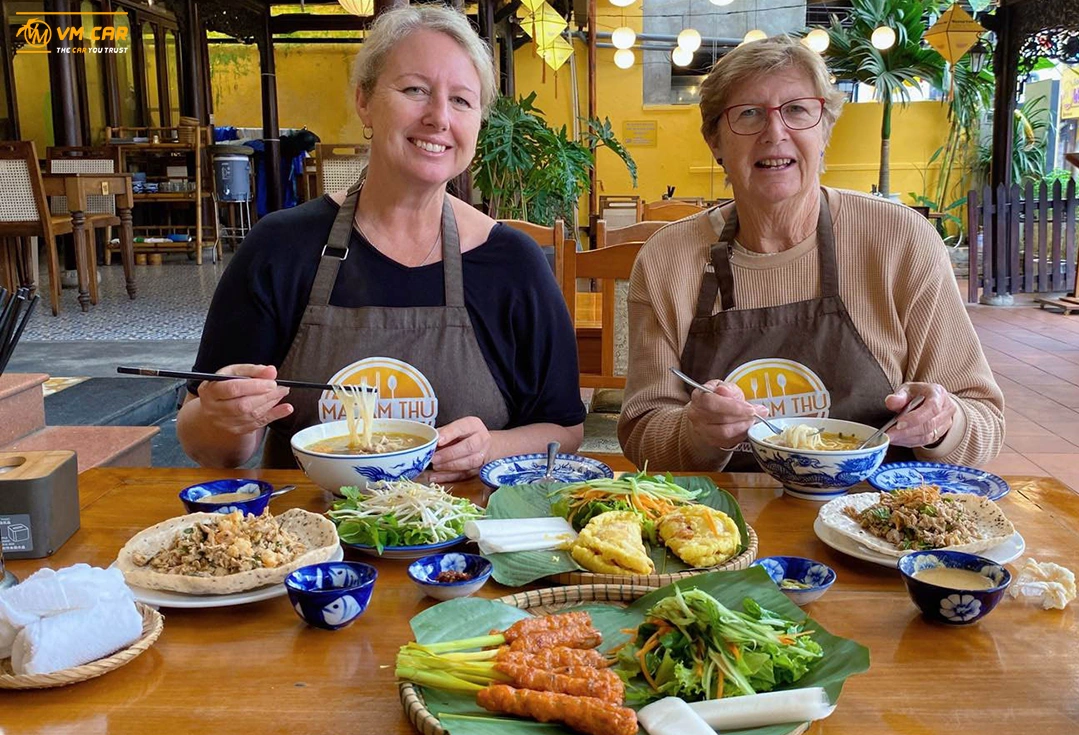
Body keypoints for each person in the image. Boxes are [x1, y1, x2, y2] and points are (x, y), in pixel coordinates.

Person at [178, 6, 584, 481]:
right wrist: (224, 417)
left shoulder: (512, 263)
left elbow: (565, 428)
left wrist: (490, 447)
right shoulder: (281, 247)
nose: (438, 117)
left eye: (461, 100)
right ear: (364, 100)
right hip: (309, 544)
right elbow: (206, 444)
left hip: (466, 547)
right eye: (415, 90)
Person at [618, 35, 1004, 471]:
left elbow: (984, 420)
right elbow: (641, 431)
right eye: (748, 114)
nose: (775, 133)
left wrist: (942, 423)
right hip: (720, 528)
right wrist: (694, 431)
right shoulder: (667, 259)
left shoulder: (899, 240)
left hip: (871, 523)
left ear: (825, 130)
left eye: (798, 110)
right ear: (715, 142)